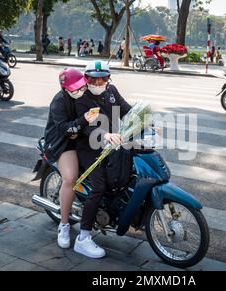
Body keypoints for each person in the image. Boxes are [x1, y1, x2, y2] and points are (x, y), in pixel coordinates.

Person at [74, 61, 132, 259]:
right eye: (93, 79)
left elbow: (126, 110)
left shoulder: (111, 90)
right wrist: (104, 135)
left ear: (108, 79)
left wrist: (145, 120)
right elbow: (85, 127)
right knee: (98, 186)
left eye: (103, 78)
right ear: (86, 79)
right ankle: (83, 238)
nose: (98, 82)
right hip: (89, 148)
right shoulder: (82, 98)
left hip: (114, 144)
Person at [44, 68, 100, 249]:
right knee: (70, 178)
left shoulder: (85, 94)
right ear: (65, 89)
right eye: (74, 89)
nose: (79, 91)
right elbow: (65, 129)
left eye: (81, 87)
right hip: (62, 143)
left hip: (82, 138)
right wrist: (83, 121)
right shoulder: (59, 102)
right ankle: (64, 224)